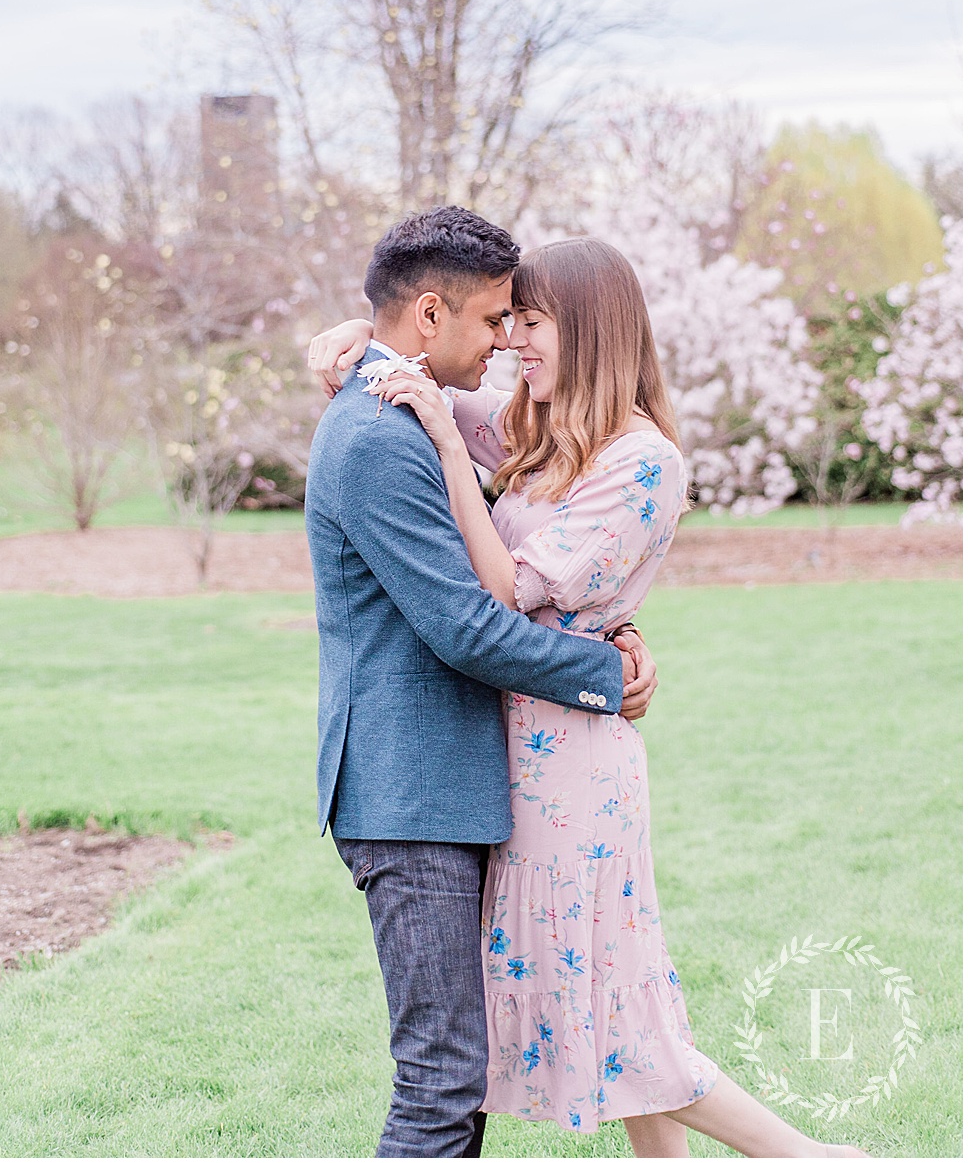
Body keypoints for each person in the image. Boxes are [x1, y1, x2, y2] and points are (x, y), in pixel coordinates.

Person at [309, 230, 865, 1160]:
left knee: (621, 1007)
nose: (511, 342)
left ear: (593, 332)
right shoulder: (540, 431)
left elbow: (506, 593)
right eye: (506, 319)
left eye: (528, 321)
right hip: (509, 753)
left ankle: (808, 1156)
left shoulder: (637, 461)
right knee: (605, 1001)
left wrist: (606, 659)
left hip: (569, 762)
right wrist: (348, 342)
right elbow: (429, 366)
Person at [304, 207, 653, 1158]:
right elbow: (466, 627)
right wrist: (604, 672)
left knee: (456, 1079)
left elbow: (544, 494)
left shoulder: (403, 405)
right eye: (494, 319)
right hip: (408, 794)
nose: (504, 341)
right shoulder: (380, 435)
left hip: (437, 792)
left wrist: (613, 624)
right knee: (440, 1083)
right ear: (428, 316)